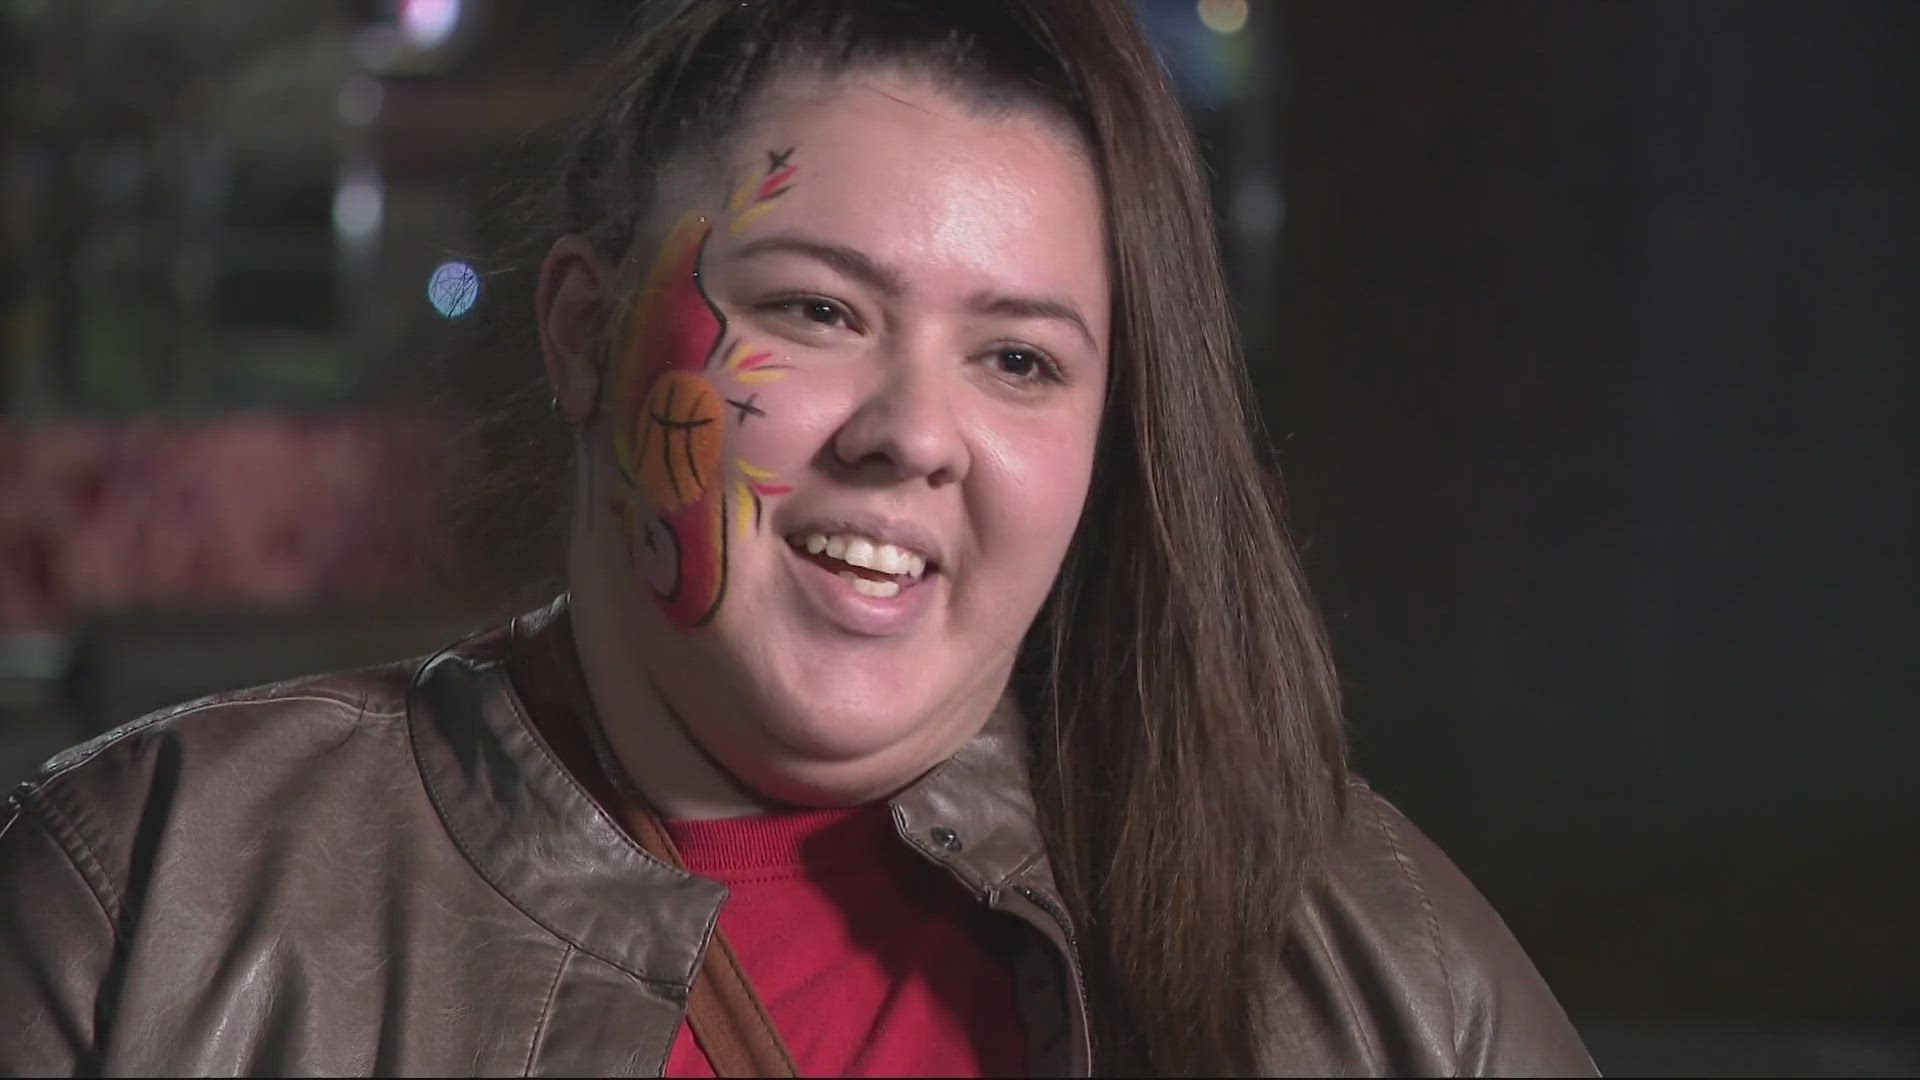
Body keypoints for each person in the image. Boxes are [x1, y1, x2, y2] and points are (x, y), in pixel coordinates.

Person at [0, 1, 1597, 1075]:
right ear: (582, 332)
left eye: (1019, 359)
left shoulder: (1355, 951)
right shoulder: (153, 892)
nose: (913, 432)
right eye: (817, 311)